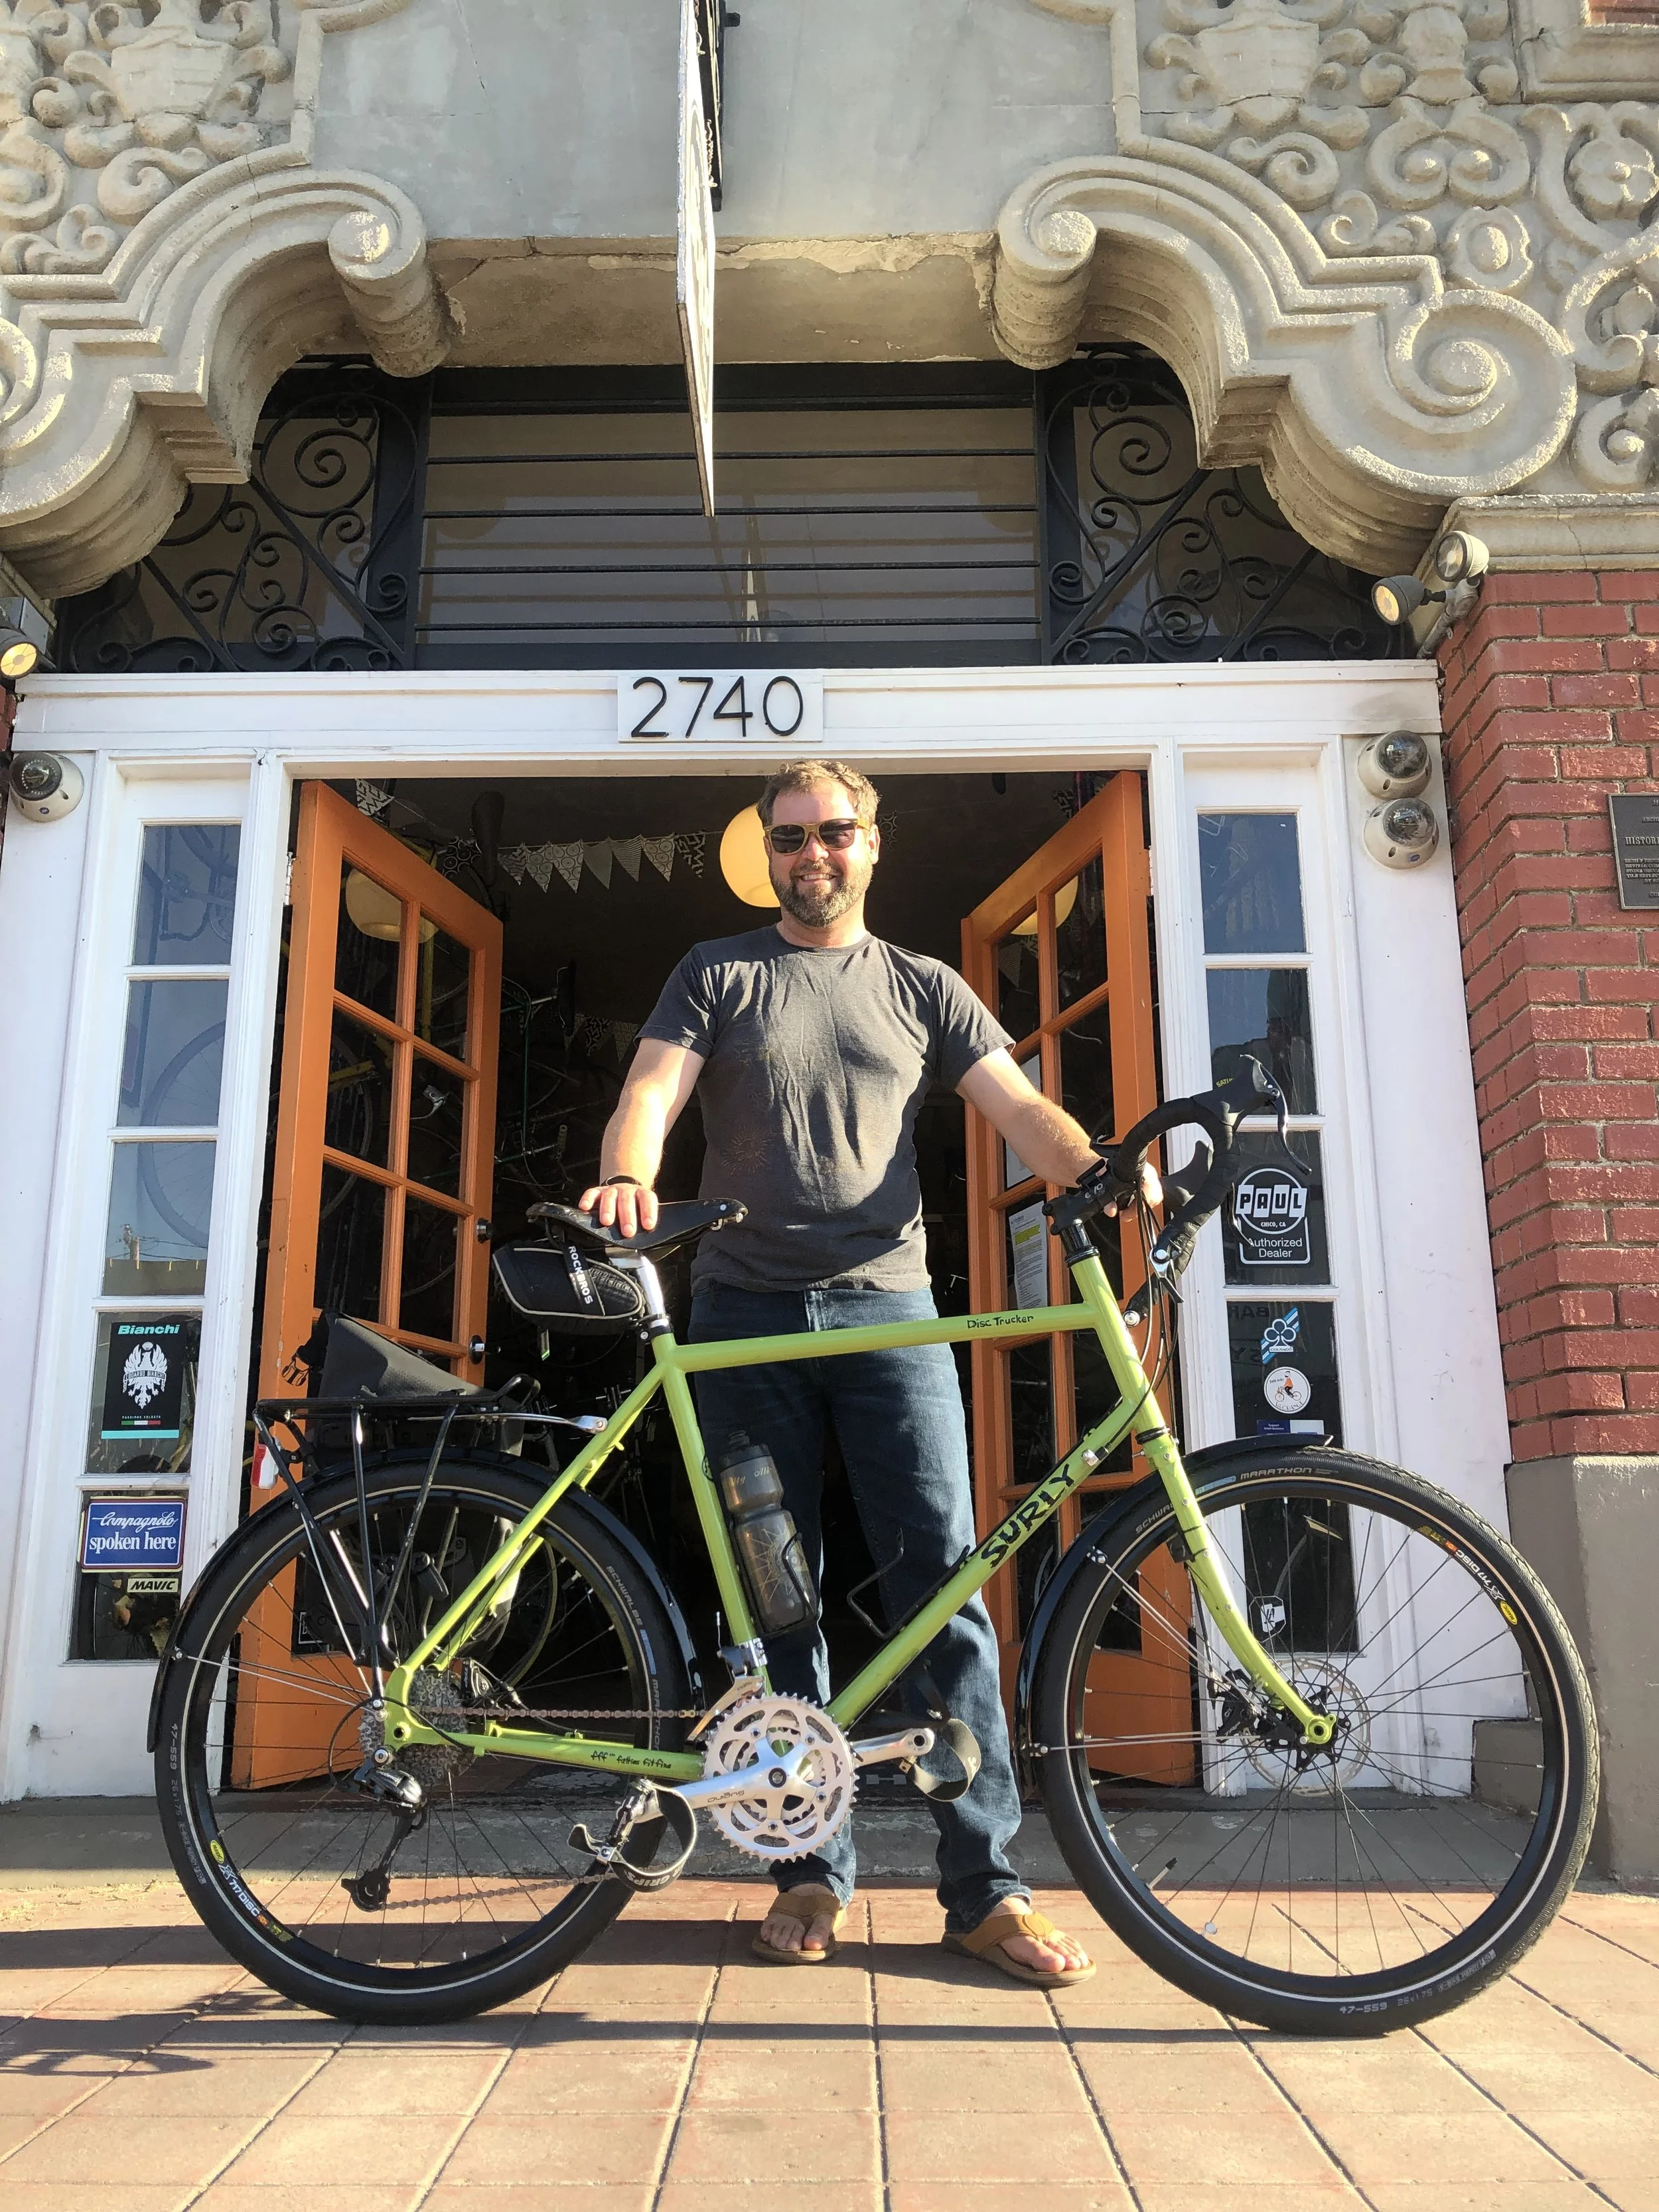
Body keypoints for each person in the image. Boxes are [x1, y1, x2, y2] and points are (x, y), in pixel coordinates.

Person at [581, 759, 1151, 1985]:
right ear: (768, 855)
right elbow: (651, 1092)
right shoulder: (716, 971)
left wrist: (1095, 1167)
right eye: (791, 838)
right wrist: (629, 1167)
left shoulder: (922, 986)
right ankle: (809, 1873)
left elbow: (1019, 1106)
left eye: (834, 833)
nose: (813, 855)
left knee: (942, 1588)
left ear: (872, 845)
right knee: (776, 1600)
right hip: (742, 1316)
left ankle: (985, 1889)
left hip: (891, 1310)